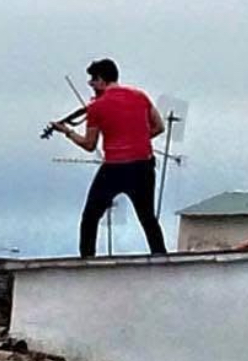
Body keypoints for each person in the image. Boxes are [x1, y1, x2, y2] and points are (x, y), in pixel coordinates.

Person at [51, 59, 167, 257]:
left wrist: (67, 132)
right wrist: (136, 137)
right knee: (147, 217)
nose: (91, 85)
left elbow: (89, 145)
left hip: (115, 167)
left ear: (102, 79)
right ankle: (161, 257)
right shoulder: (140, 96)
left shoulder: (97, 107)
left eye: (93, 81)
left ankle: (87, 260)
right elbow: (159, 126)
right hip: (143, 165)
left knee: (90, 217)